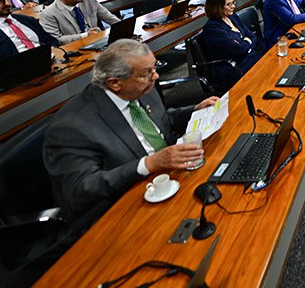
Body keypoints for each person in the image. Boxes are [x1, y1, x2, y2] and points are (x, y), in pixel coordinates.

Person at [43, 39, 218, 232]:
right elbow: (81, 190)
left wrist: (194, 110)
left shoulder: (141, 88)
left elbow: (161, 121)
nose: (156, 76)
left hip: (173, 176)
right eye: (147, 73)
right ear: (115, 83)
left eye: (155, 67)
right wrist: (148, 164)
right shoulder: (71, 127)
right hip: (125, 209)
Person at [197, 0, 263, 91]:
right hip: (230, 67)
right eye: (228, 4)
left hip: (245, 58)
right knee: (264, 69)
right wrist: (246, 42)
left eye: (233, 2)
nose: (233, 6)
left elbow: (252, 36)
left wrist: (246, 45)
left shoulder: (233, 17)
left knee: (269, 59)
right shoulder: (212, 28)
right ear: (217, 7)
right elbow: (239, 49)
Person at [39, 0, 121, 45]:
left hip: (97, 41)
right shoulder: (48, 13)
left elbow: (110, 18)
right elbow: (57, 39)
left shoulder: (89, 0)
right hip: (74, 47)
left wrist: (125, 27)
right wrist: (86, 35)